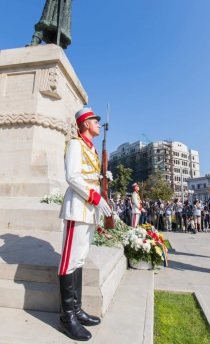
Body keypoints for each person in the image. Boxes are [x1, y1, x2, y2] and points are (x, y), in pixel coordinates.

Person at [58, 107, 112, 341]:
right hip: (77, 208)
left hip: (89, 211)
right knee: (69, 261)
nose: (98, 124)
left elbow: (90, 177)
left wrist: (103, 186)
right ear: (84, 125)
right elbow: (72, 176)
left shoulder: (90, 148)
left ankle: (76, 310)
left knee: (79, 259)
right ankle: (66, 316)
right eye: (94, 121)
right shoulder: (75, 145)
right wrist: (96, 196)